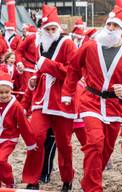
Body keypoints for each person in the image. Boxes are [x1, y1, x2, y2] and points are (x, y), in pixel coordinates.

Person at [61, 5, 122, 192]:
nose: (111, 28)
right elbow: (73, 68)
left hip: (115, 106)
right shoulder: (90, 46)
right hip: (91, 101)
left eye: (115, 26)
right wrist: (67, 93)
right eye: (109, 24)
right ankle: (92, 188)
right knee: (95, 143)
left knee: (106, 150)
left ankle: (88, 181)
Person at [22, 4, 77, 191]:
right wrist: (34, 80)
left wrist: (47, 65)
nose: (51, 31)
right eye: (48, 29)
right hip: (40, 101)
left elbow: (72, 72)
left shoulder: (68, 43)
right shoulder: (39, 45)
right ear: (43, 29)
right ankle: (33, 179)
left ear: (58, 28)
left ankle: (67, 179)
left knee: (64, 145)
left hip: (62, 102)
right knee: (35, 137)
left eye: (53, 28)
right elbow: (40, 70)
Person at [0, 72, 37, 188]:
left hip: (9, 138)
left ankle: (10, 182)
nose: (4, 95)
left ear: (11, 90)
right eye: (0, 93)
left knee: (1, 160)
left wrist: (31, 143)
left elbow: (24, 125)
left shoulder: (16, 106)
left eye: (7, 92)